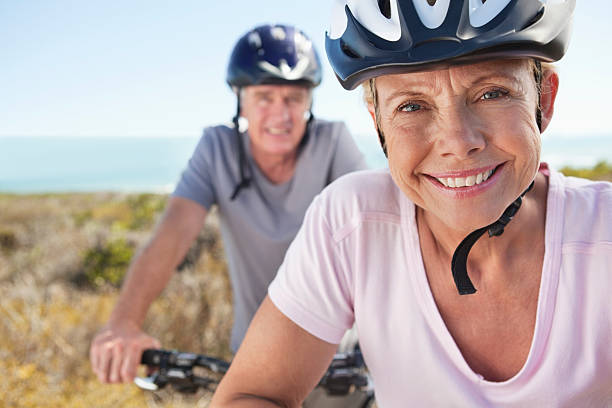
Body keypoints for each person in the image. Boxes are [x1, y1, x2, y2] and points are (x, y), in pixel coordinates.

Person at [211, 1, 612, 406]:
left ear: (545, 97)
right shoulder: (353, 224)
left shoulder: (604, 235)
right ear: (378, 121)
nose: (457, 142)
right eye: (412, 106)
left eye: (492, 93)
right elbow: (251, 394)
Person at [89, 23, 368, 390]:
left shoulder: (332, 142)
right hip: (255, 355)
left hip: (338, 358)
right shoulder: (216, 148)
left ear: (309, 102)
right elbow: (172, 235)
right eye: (264, 97)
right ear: (241, 100)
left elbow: (373, 229)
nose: (280, 115)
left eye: (293, 99)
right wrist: (123, 322)